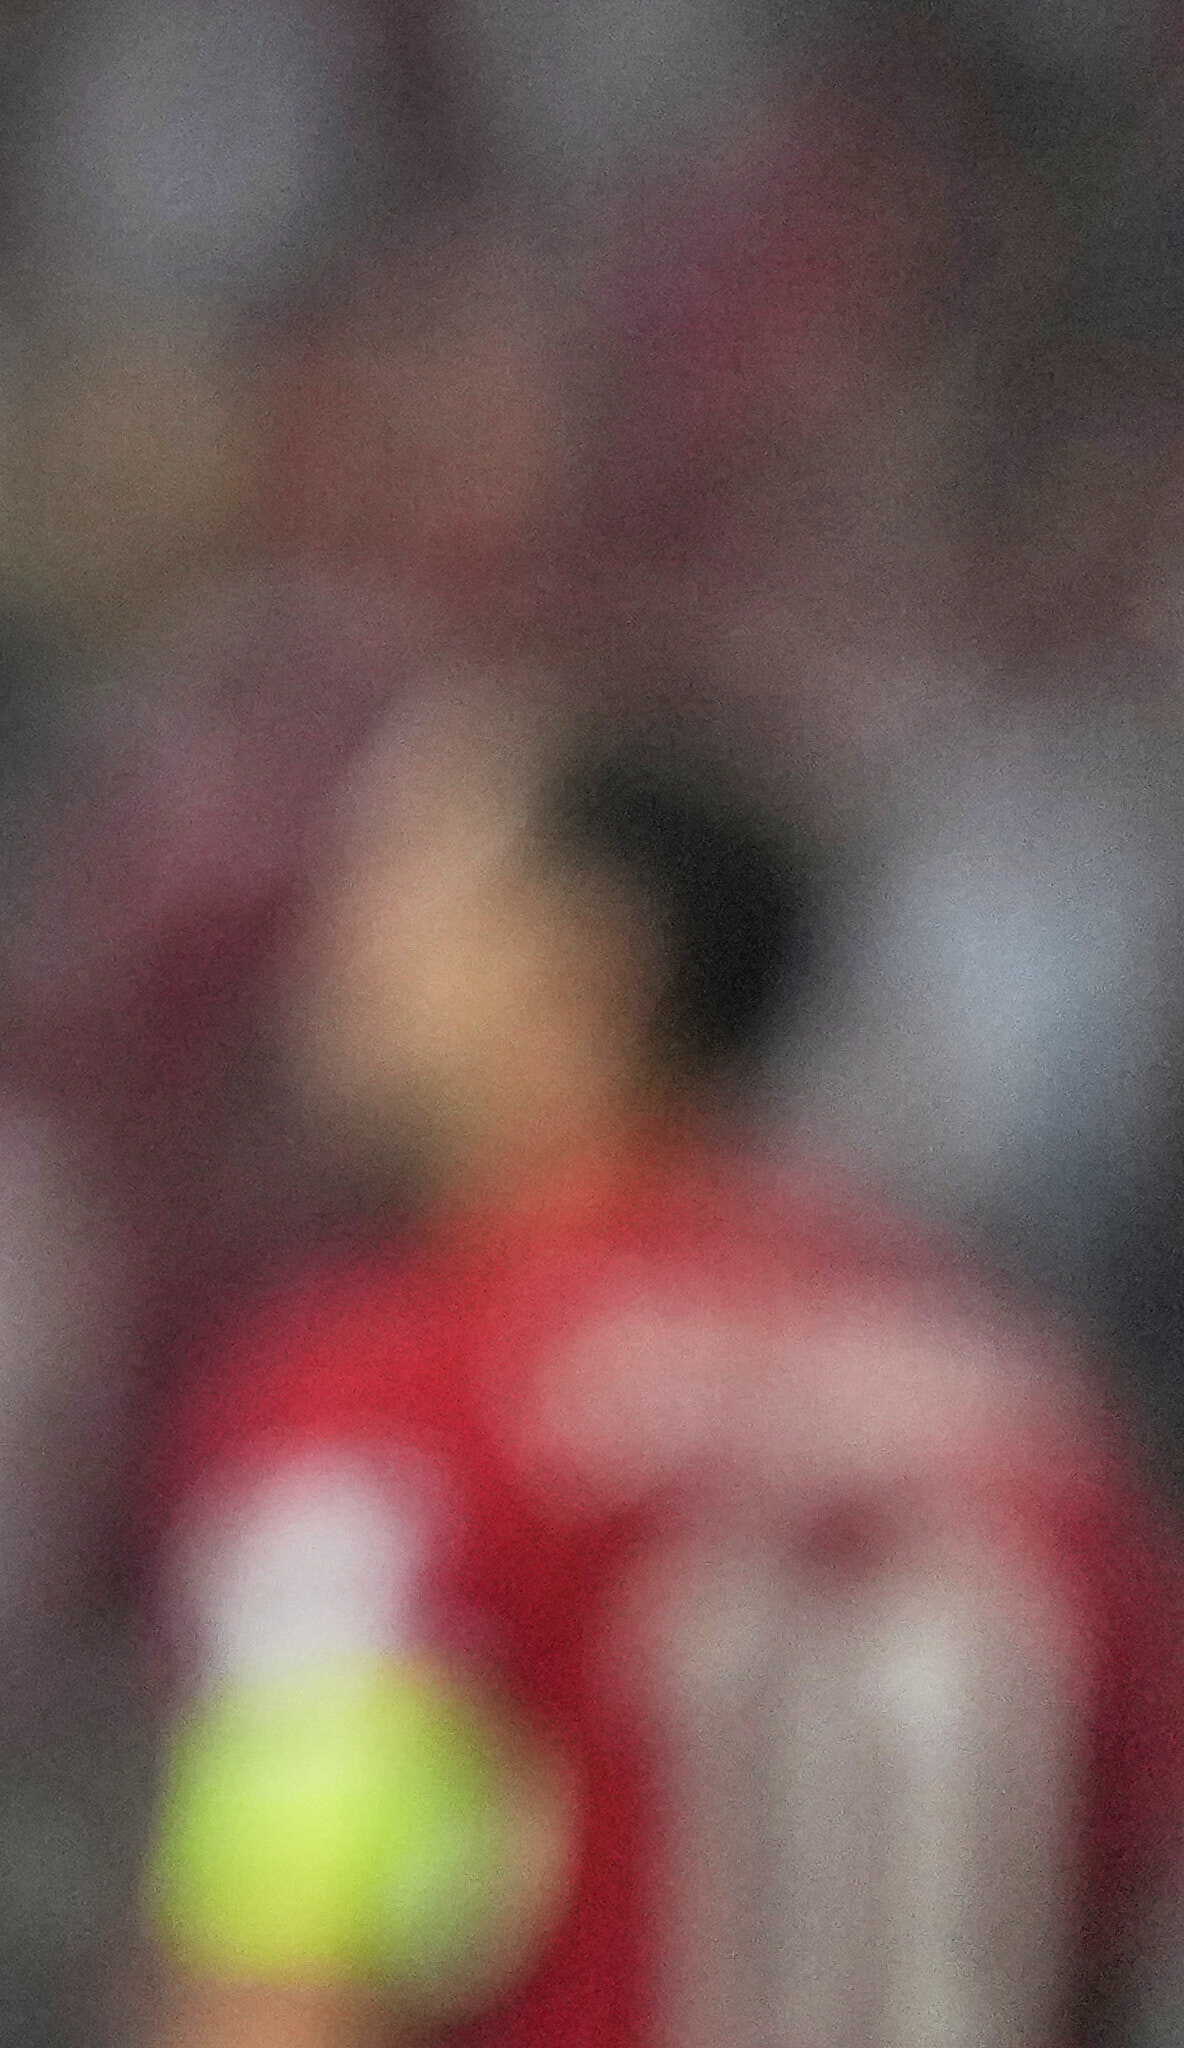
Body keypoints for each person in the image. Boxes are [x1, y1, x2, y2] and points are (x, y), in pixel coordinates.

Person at [146, 691, 1184, 2048]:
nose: (341, 953)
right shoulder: (1035, 1418)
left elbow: (288, 1966)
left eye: (407, 887)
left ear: (584, 968)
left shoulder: (404, 1392)